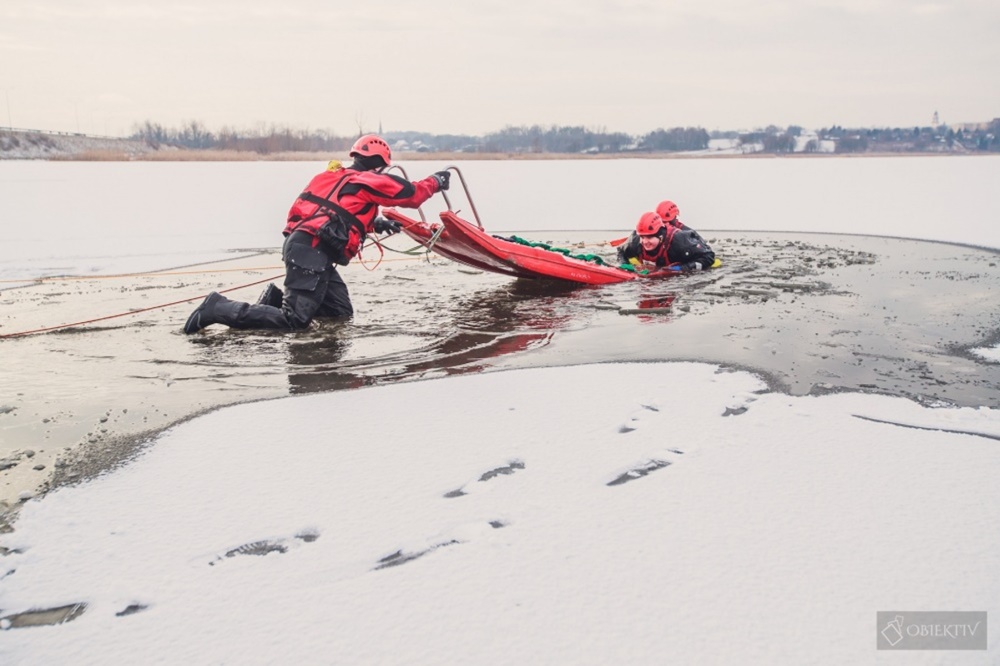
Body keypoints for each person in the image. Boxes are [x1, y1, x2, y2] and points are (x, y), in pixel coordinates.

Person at [184, 134, 450, 334]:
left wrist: (373, 224)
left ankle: (273, 301)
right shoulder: (367, 180)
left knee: (338, 314)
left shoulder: (331, 178)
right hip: (311, 250)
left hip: (306, 247)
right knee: (294, 321)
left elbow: (332, 212)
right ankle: (217, 308)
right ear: (379, 165)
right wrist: (435, 182)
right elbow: (411, 195)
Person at [616, 208, 715, 271]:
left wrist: (681, 268)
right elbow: (621, 251)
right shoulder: (635, 241)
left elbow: (708, 256)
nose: (645, 242)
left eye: (650, 237)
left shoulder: (679, 242)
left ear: (661, 236)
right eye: (642, 237)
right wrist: (624, 265)